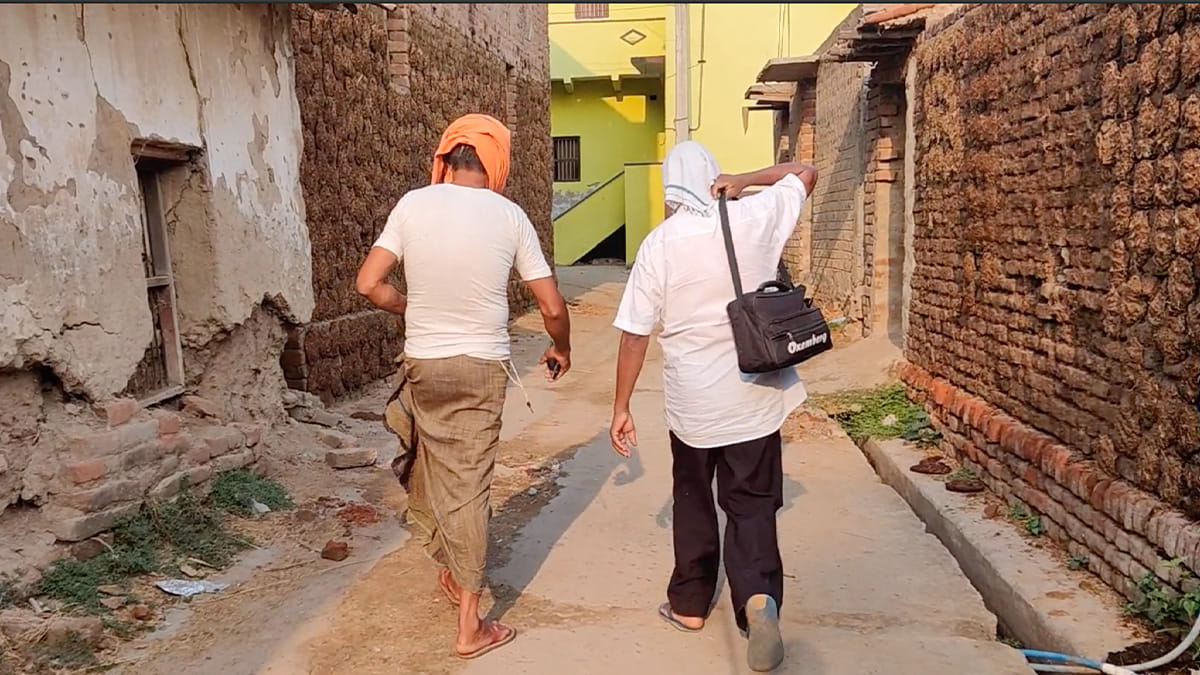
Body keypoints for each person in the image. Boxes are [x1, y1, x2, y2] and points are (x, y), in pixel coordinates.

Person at [356, 113, 571, 659]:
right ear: (497, 162)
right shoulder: (510, 216)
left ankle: (453, 570)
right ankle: (470, 626)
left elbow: (369, 284)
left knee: (434, 466)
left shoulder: (413, 204)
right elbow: (551, 306)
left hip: (424, 363)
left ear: (446, 158)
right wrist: (561, 347)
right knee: (470, 483)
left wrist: (411, 308)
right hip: (481, 366)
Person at [608, 141, 817, 672]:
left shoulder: (659, 243)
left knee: (693, 498)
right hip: (755, 394)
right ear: (712, 177)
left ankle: (689, 605)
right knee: (752, 503)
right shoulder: (754, 216)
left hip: (692, 401)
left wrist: (621, 406)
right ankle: (759, 600)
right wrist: (745, 180)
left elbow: (635, 334)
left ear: (668, 188)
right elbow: (804, 171)